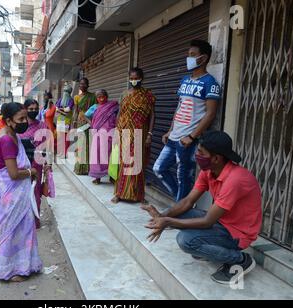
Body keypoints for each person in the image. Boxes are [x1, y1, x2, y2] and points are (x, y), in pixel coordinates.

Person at [143, 131, 262, 285]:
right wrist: (161, 216)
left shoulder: (235, 180)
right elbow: (187, 202)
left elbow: (207, 221)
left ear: (216, 158)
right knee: (182, 214)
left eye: (200, 152)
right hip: (222, 222)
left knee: (186, 240)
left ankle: (240, 260)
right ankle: (209, 247)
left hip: (238, 233)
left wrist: (167, 221)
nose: (196, 155)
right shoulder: (209, 171)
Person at [153, 40, 221, 202]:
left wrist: (191, 137)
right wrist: (170, 130)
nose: (188, 58)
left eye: (192, 55)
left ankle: (180, 212)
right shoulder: (185, 80)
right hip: (174, 136)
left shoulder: (210, 83)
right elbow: (180, 106)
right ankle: (182, 204)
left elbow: (210, 114)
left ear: (203, 58)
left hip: (189, 140)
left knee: (184, 178)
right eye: (188, 55)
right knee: (159, 169)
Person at [0, 102, 43, 282]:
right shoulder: (7, 140)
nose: (25, 121)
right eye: (21, 119)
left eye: (25, 117)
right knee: (13, 231)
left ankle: (22, 265)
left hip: (15, 194)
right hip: (12, 195)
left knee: (23, 229)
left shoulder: (11, 135)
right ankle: (10, 270)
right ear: (9, 121)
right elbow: (13, 173)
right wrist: (31, 172)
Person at [112, 68, 156, 204]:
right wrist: (116, 131)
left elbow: (152, 115)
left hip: (140, 132)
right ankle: (119, 193)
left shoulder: (148, 95)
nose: (133, 80)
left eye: (136, 77)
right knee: (123, 161)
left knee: (137, 162)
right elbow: (120, 113)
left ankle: (139, 195)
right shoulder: (124, 94)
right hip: (124, 130)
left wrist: (149, 134)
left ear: (142, 78)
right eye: (131, 78)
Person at [18, 99, 52, 229]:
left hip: (36, 164)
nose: (33, 111)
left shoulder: (43, 126)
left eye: (35, 109)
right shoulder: (21, 125)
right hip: (21, 165)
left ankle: (34, 222)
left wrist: (48, 164)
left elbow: (47, 147)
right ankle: (22, 221)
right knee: (22, 193)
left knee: (35, 192)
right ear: (25, 109)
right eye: (30, 109)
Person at [87, 89, 119, 185]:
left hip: (111, 133)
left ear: (107, 96)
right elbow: (85, 115)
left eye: (103, 96)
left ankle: (112, 176)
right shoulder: (95, 107)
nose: (101, 99)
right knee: (97, 154)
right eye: (99, 97)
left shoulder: (114, 106)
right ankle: (97, 177)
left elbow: (118, 118)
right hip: (98, 134)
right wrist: (92, 124)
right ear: (96, 98)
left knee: (111, 154)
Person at [73, 78, 96, 175]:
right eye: (81, 84)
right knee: (80, 143)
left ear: (88, 85)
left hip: (89, 121)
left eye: (84, 84)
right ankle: (80, 167)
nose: (82, 85)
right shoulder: (76, 97)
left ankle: (87, 168)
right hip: (80, 121)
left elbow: (95, 109)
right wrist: (73, 121)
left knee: (88, 142)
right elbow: (76, 110)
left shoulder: (93, 96)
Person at [55, 84, 75, 157]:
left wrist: (61, 110)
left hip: (65, 121)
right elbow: (58, 109)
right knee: (61, 137)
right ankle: (61, 152)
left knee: (65, 137)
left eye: (67, 91)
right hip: (63, 120)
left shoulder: (70, 100)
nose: (65, 93)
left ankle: (64, 153)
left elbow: (68, 109)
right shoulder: (63, 100)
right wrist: (63, 111)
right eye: (65, 91)